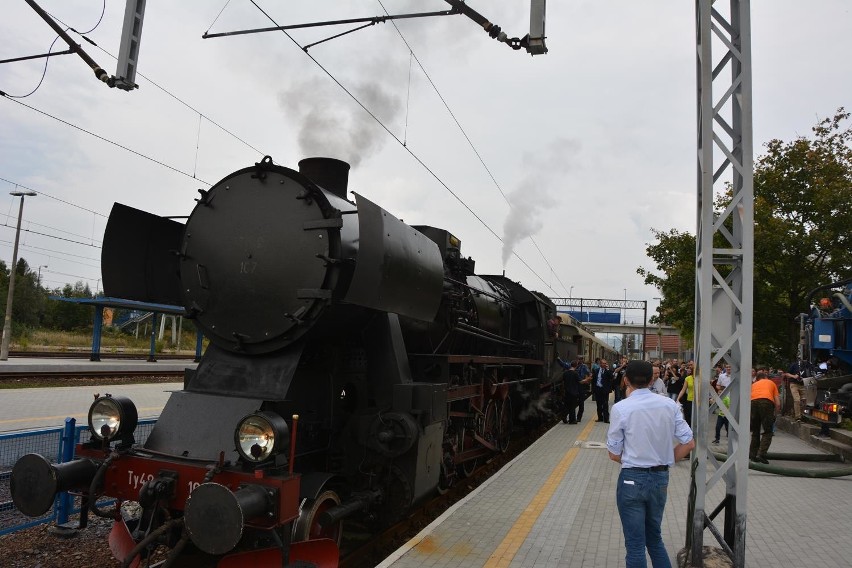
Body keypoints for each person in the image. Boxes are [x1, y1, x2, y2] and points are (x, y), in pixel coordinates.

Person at [607, 360, 695, 568]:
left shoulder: (621, 408)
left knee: (635, 544)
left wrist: (634, 459)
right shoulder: (669, 405)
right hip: (660, 479)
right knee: (654, 539)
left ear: (626, 380)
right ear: (652, 379)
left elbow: (613, 453)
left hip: (631, 479)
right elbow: (689, 443)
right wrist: (663, 459)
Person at [750, 370, 781, 463]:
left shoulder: (753, 385)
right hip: (766, 403)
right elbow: (778, 403)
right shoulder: (771, 383)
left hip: (753, 403)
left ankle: (752, 455)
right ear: (766, 377)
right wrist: (775, 414)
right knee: (768, 431)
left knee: (755, 431)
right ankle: (761, 455)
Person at [556, 357, 581, 423]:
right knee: (572, 406)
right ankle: (572, 420)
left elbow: (563, 382)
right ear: (576, 366)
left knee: (566, 405)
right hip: (573, 392)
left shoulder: (565, 373)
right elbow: (579, 382)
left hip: (567, 392)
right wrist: (587, 380)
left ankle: (564, 417)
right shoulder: (575, 373)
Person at [677, 363, 695, 427]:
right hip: (689, 399)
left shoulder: (700, 379)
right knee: (688, 417)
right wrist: (678, 399)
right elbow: (683, 390)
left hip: (698, 401)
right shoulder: (688, 378)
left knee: (695, 418)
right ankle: (689, 430)